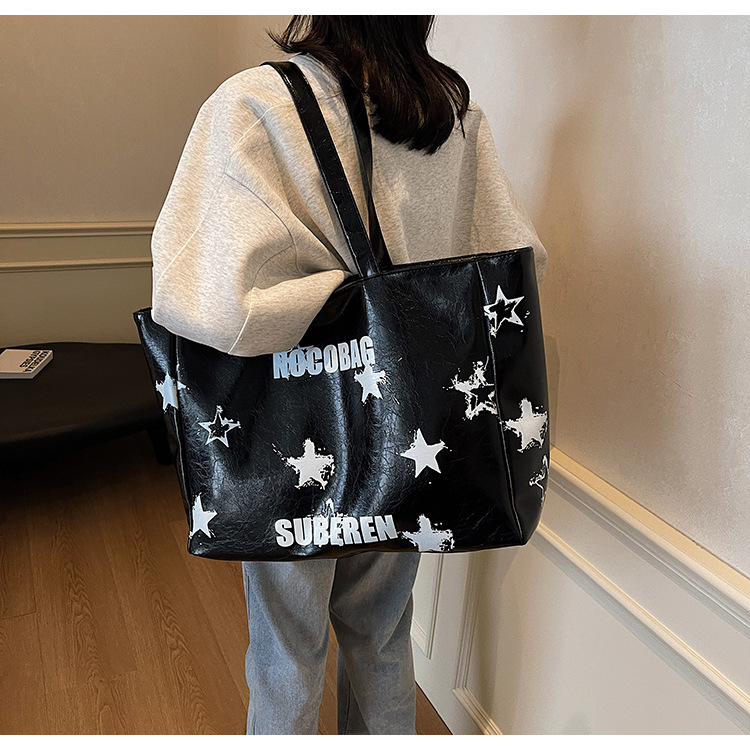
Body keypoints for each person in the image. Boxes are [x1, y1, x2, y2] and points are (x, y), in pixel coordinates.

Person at [149, 15, 548, 736]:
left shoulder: (253, 107)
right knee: (384, 636)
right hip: (413, 429)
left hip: (288, 432)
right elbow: (509, 269)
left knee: (287, 652)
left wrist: (321, 299)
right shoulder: (447, 116)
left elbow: (212, 304)